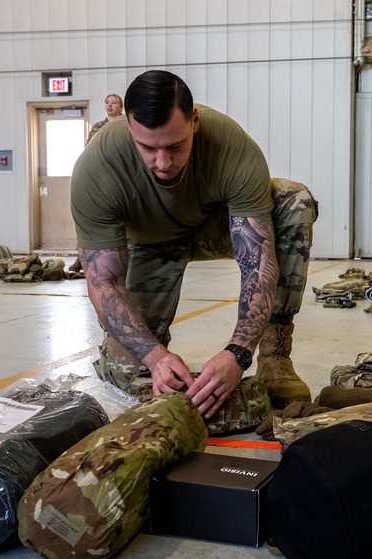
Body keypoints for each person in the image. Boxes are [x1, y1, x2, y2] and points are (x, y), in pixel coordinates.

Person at [71, 70, 317, 419]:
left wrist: (238, 352)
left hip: (214, 227)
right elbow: (103, 281)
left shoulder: (231, 144)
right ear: (129, 128)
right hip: (149, 245)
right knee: (126, 372)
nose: (162, 163)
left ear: (195, 122)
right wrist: (155, 357)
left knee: (295, 200)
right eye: (147, 148)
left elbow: (257, 263)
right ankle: (142, 358)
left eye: (175, 146)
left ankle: (275, 356)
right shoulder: (97, 168)